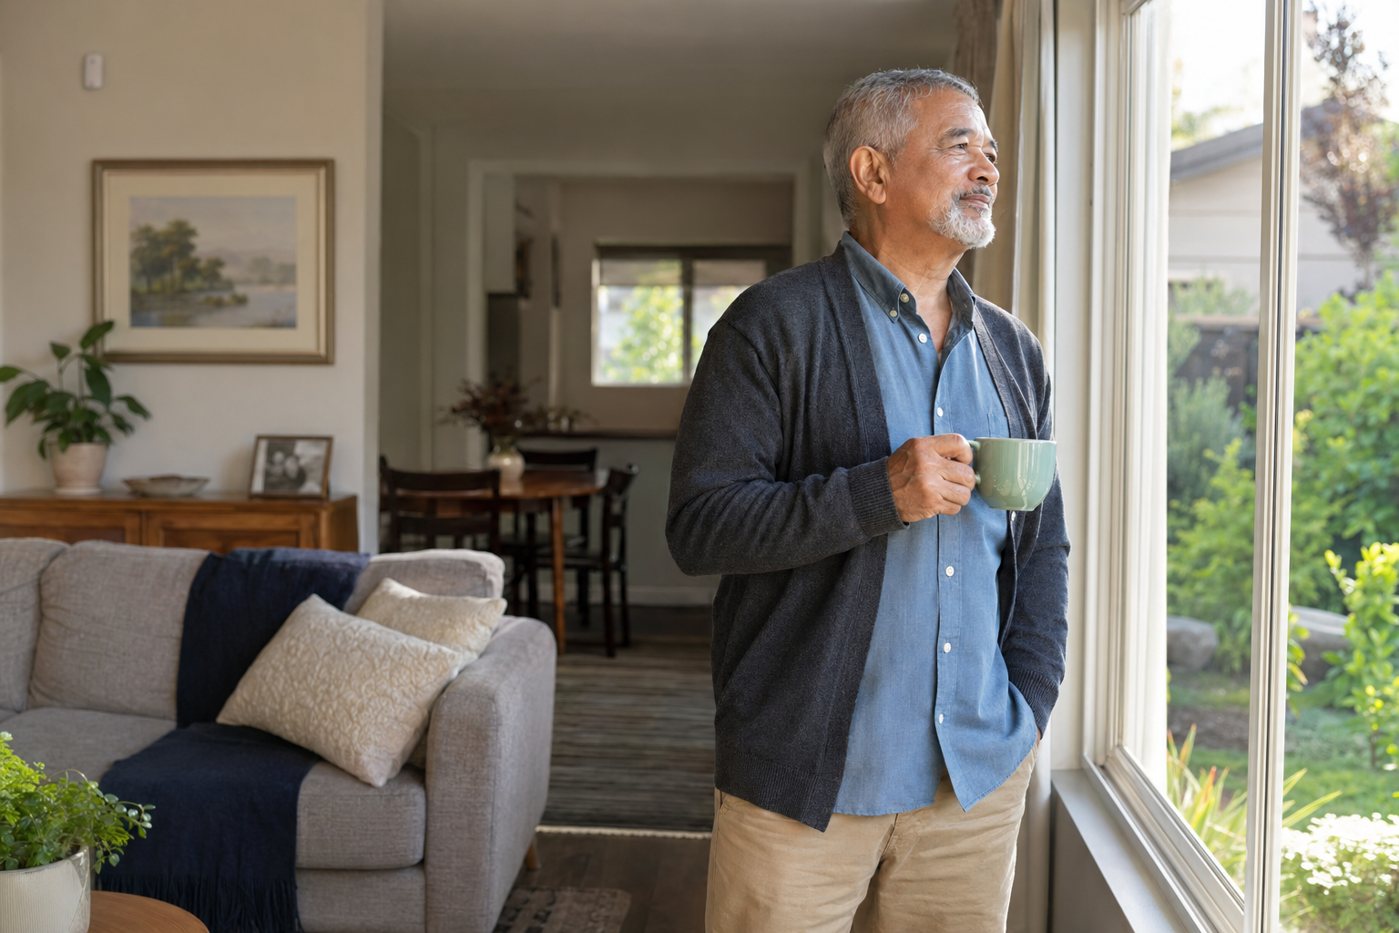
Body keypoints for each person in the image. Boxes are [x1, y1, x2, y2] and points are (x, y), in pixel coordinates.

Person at [666, 68, 1070, 933]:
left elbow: (1043, 549)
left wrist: (1029, 705)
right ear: (873, 174)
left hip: (975, 777)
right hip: (806, 783)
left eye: (992, 150)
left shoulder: (1012, 350)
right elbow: (701, 527)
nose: (988, 167)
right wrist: (876, 491)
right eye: (959, 144)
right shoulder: (770, 325)